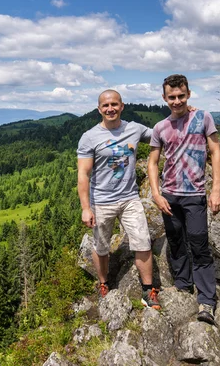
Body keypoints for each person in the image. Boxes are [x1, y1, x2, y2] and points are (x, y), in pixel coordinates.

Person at [147, 74, 220, 324]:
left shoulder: (203, 117)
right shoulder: (160, 127)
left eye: (181, 96)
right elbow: (153, 162)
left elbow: (215, 151)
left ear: (188, 94)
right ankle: (182, 284)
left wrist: (215, 190)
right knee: (176, 241)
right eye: (172, 97)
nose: (177, 101)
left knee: (199, 245)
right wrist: (156, 194)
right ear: (164, 98)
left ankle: (206, 301)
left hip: (195, 195)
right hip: (170, 195)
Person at [77, 89, 161, 310]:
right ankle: (104, 283)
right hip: (101, 201)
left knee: (142, 241)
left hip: (129, 197)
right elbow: (83, 175)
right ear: (99, 109)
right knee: (101, 246)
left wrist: (182, 115)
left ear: (122, 106)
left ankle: (148, 290)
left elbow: (162, 135)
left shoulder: (134, 129)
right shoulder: (89, 137)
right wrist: (86, 208)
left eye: (114, 104)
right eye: (105, 106)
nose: (110, 109)